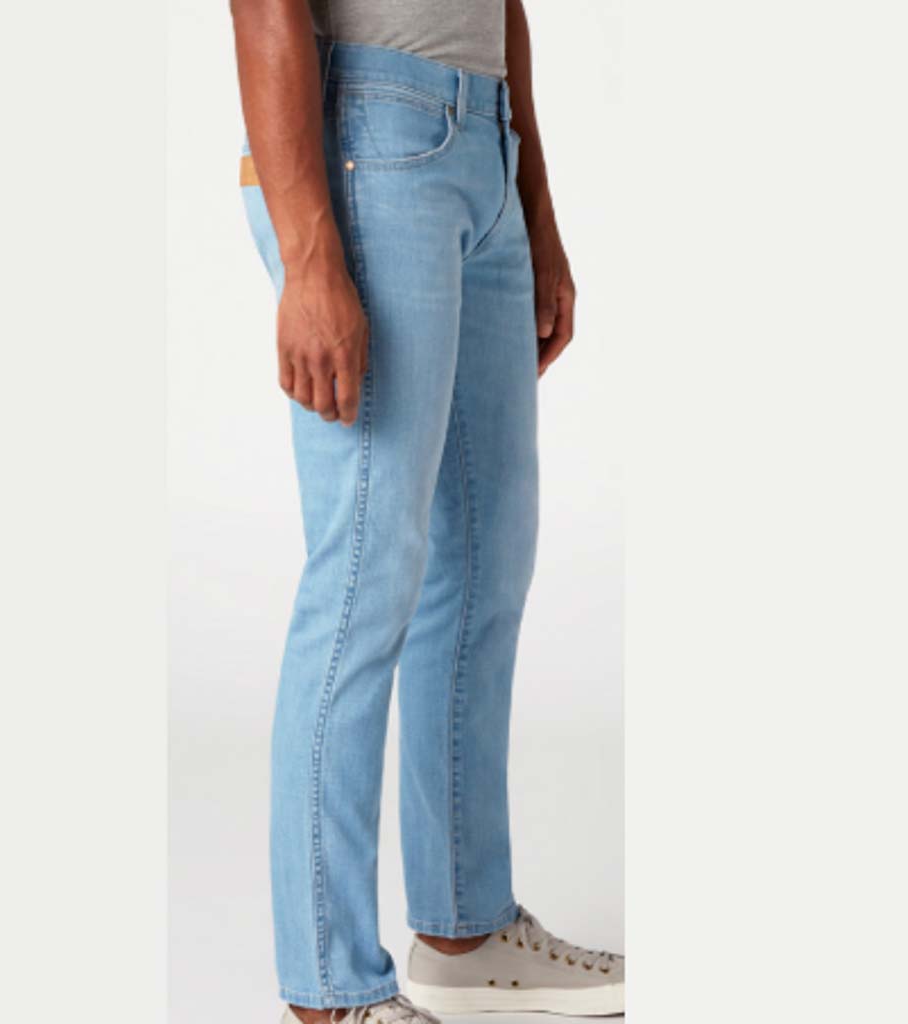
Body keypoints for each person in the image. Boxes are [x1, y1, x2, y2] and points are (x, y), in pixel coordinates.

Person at [230, 2, 623, 1020]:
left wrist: (533, 205)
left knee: (487, 557)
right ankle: (330, 990)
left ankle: (464, 927)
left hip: (484, 143)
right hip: (369, 137)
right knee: (365, 571)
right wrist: (308, 257)